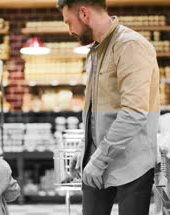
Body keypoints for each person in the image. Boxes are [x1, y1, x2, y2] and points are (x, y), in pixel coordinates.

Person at [57, 0, 161, 214]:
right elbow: (98, 110)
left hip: (132, 164)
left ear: (84, 13)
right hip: (97, 160)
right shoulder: (94, 52)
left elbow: (133, 114)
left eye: (69, 23)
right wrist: (84, 148)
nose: (69, 31)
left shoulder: (130, 45)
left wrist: (99, 159)